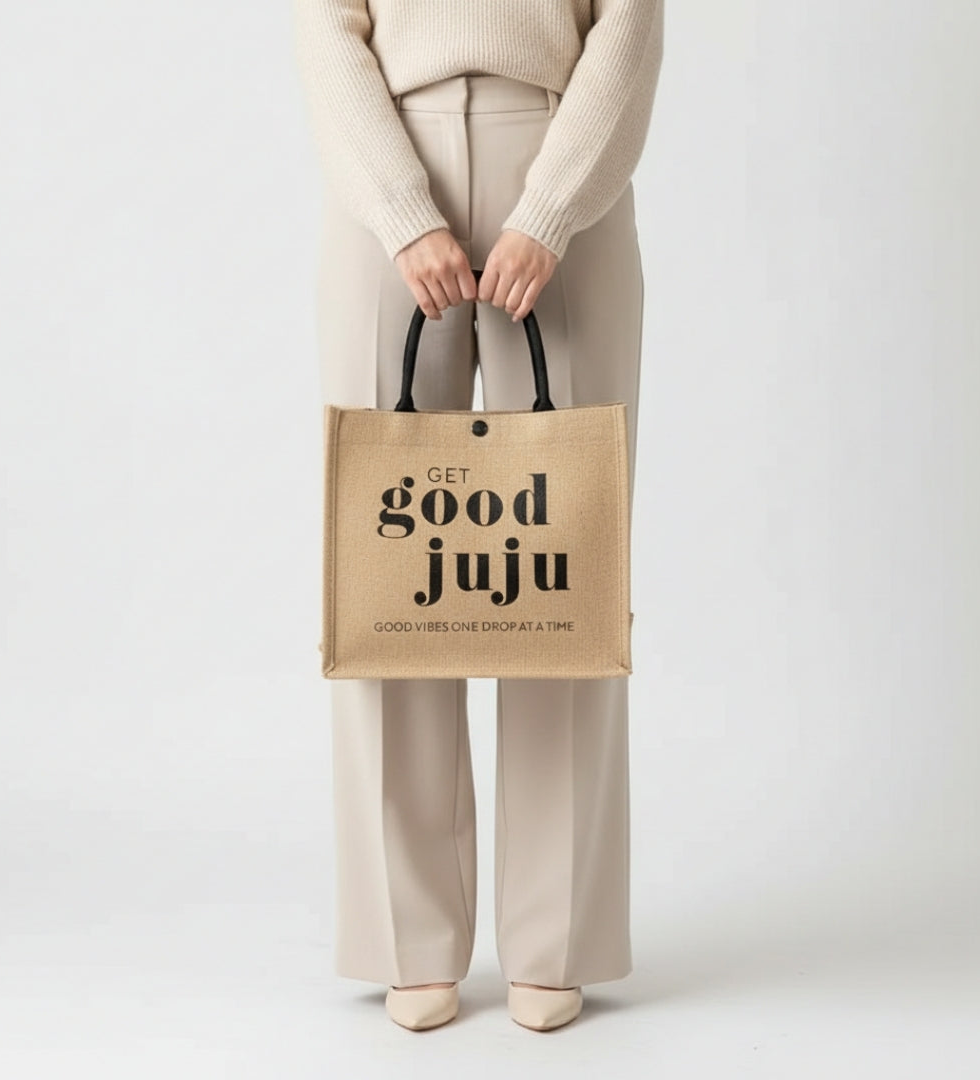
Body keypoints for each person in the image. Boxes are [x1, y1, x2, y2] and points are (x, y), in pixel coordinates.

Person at [294, 0, 665, 1032]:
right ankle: (408, 934)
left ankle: (560, 934)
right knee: (394, 564)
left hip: (559, 157)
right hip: (384, 167)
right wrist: (401, 207)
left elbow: (628, 25)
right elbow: (329, 29)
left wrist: (550, 209)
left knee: (561, 562)